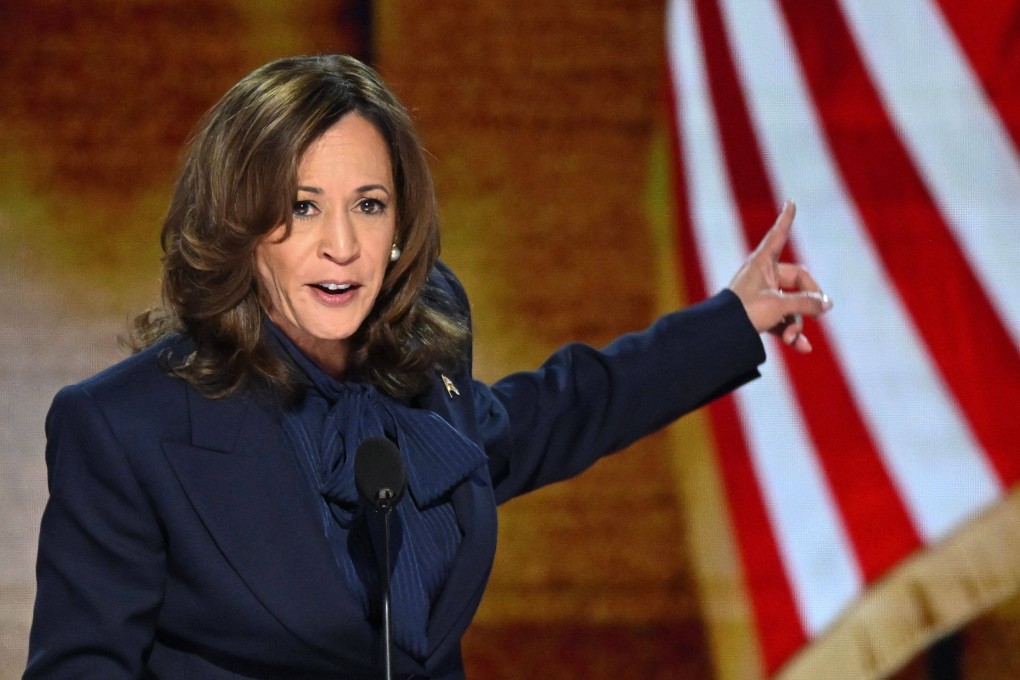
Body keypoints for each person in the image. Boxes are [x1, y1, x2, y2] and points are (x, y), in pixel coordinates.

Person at [23, 54, 831, 679]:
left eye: (368, 205)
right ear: (238, 221)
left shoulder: (420, 354)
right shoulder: (125, 428)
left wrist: (731, 322)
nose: (342, 246)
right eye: (302, 207)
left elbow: (547, 415)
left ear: (400, 227)